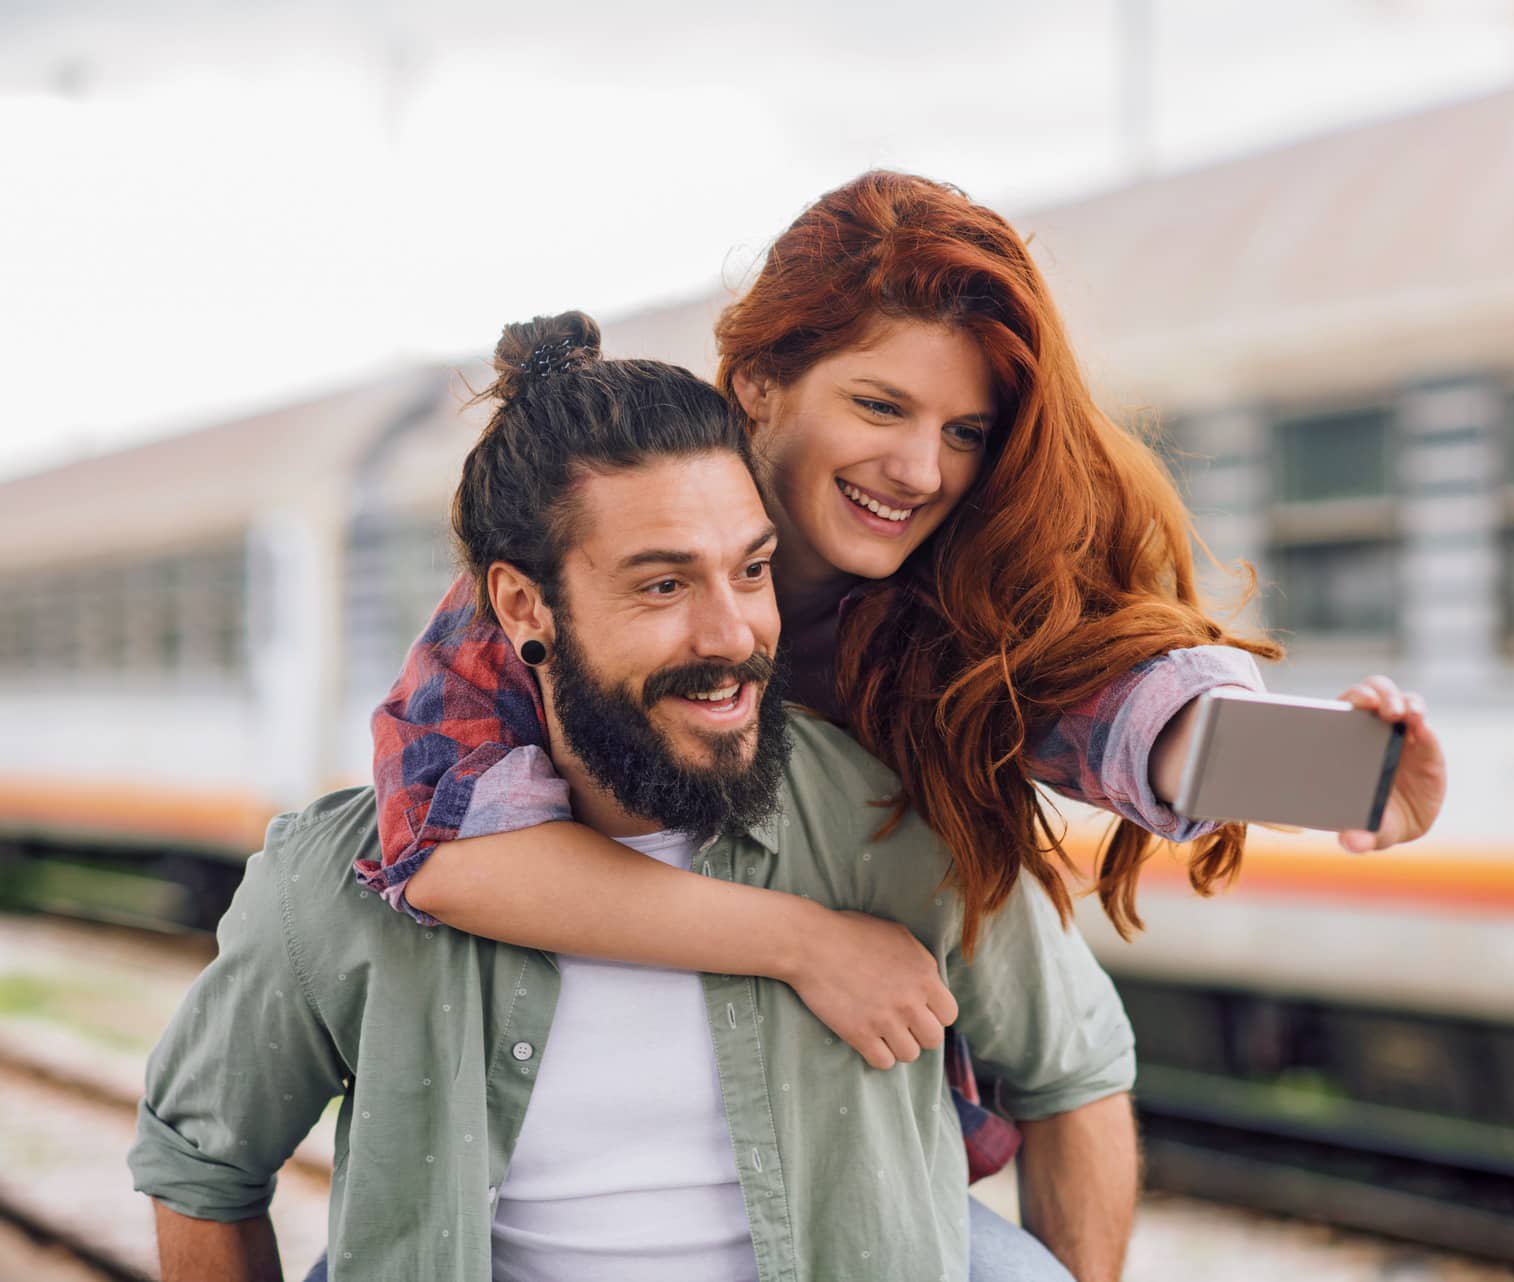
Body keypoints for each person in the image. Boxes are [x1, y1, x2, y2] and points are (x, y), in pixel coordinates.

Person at [360, 173, 1448, 1270]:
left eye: (964, 430)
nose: (920, 470)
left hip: (872, 1138)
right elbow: (452, 849)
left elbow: (1117, 704)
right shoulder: (605, 534)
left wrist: (1323, 772)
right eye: (879, 407)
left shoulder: (957, 601)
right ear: (759, 385)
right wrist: (810, 945)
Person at [130, 325, 1137, 1282]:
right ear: (525, 607)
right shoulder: (337, 887)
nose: (731, 633)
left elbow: (1076, 1073)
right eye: (663, 586)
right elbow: (200, 1163)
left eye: (752, 571)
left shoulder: (900, 829)